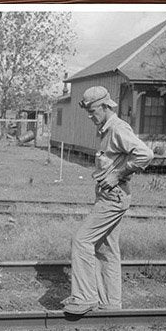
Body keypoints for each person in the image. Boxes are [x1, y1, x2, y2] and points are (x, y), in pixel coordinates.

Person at [62, 85, 154, 316]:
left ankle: (84, 297)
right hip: (109, 196)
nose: (91, 116)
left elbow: (146, 154)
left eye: (93, 111)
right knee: (107, 250)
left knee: (81, 241)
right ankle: (110, 303)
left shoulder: (117, 128)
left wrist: (118, 174)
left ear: (105, 106)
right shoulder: (106, 129)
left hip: (113, 198)